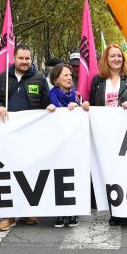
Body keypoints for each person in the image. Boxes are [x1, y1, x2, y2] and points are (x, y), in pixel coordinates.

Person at [0, 44, 55, 231]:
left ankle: (27, 210)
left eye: (27, 58)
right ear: (14, 58)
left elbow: (46, 101)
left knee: (28, 172)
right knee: (8, 172)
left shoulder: (39, 78)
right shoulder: (3, 78)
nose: (25, 62)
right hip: (8, 134)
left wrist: (49, 107)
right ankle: (8, 215)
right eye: (21, 58)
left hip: (30, 135)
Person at [82, 44, 127, 227]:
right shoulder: (97, 80)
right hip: (105, 134)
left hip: (126, 133)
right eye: (112, 56)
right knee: (109, 172)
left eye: (119, 56)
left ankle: (126, 209)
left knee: (125, 171)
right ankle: (115, 210)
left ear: (123, 59)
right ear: (106, 59)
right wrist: (86, 106)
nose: (116, 59)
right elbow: (92, 103)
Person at [49, 63, 82, 228]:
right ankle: (60, 212)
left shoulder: (76, 95)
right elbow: (55, 109)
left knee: (73, 175)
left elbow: (81, 112)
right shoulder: (52, 94)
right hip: (57, 142)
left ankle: (73, 211)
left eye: (70, 75)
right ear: (56, 79)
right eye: (65, 75)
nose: (70, 78)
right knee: (58, 176)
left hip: (74, 142)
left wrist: (79, 106)